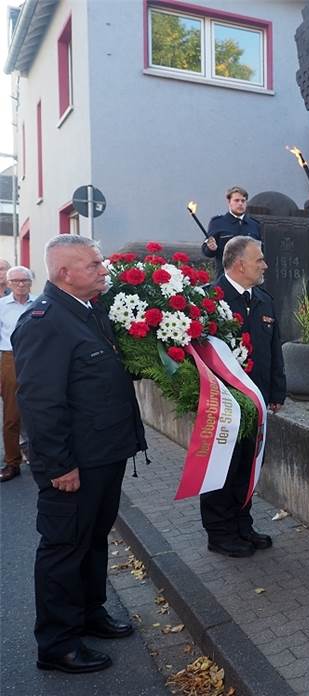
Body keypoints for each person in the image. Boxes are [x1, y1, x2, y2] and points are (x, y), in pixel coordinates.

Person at [12, 235, 147, 674]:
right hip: (74, 464)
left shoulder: (89, 312)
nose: (103, 270)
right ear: (64, 273)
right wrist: (58, 466)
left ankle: (91, 613)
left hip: (103, 455)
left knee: (92, 540)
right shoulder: (45, 321)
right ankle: (57, 643)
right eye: (93, 265)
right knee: (64, 548)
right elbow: (40, 402)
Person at [201, 236, 285, 557]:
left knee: (248, 466)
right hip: (223, 404)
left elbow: (273, 350)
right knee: (223, 468)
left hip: (257, 401)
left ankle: (242, 525)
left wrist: (276, 391)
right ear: (240, 264)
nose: (265, 265)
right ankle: (219, 533)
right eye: (259, 260)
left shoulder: (263, 300)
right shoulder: (211, 299)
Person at [0, 265, 36, 482]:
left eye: (24, 280)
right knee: (12, 415)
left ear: (30, 282)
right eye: (16, 281)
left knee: (43, 410)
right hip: (10, 358)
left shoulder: (41, 303)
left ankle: (43, 457)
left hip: (37, 359)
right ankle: (12, 463)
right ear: (9, 283)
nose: (21, 284)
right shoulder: (1, 306)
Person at [202, 186, 262, 277]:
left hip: (249, 278)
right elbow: (206, 251)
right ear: (229, 202)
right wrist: (211, 248)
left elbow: (260, 251)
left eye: (243, 201)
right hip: (225, 277)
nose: (240, 204)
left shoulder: (254, 225)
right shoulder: (218, 223)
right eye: (236, 200)